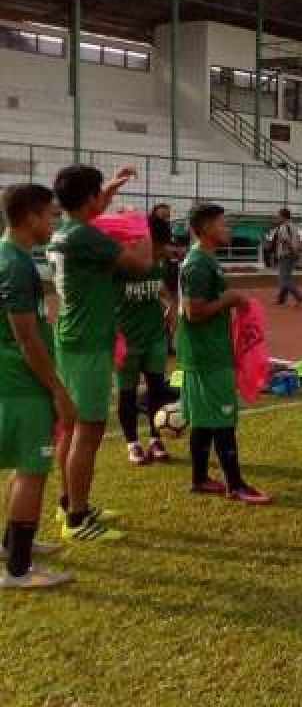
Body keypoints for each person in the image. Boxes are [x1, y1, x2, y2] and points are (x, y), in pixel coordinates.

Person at [47, 164, 152, 542]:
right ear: (88, 199)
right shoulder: (85, 237)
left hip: (73, 339)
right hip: (87, 344)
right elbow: (142, 264)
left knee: (73, 428)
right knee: (87, 431)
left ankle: (70, 502)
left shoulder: (66, 232)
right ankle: (77, 519)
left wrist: (107, 189)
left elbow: (88, 213)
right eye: (99, 196)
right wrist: (140, 228)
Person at [0, 185, 75, 588]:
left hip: (12, 378)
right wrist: (59, 391)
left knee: (24, 464)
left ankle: (14, 544)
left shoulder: (10, 256)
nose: (54, 222)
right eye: (51, 215)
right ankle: (18, 570)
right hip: (21, 382)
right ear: (30, 216)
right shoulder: (15, 264)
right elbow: (26, 337)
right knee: (32, 469)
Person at [179, 203, 271, 505]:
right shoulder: (198, 264)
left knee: (205, 420)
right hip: (208, 354)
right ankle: (236, 484)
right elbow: (194, 312)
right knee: (222, 419)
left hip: (206, 351)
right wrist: (230, 299)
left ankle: (200, 478)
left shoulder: (205, 261)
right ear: (205, 229)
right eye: (222, 224)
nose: (227, 229)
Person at [114, 215, 175, 466]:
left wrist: (170, 304)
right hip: (126, 338)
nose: (162, 252)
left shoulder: (158, 263)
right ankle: (132, 443)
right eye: (159, 246)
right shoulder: (120, 266)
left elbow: (162, 288)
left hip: (154, 336)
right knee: (127, 393)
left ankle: (155, 438)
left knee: (157, 387)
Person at [151, 203, 182, 356]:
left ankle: (168, 345)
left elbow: (177, 254)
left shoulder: (170, 236)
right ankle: (160, 345)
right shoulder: (150, 238)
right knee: (160, 315)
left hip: (172, 281)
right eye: (162, 216)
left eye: (168, 216)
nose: (166, 219)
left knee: (170, 316)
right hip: (158, 282)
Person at [272, 208, 302, 307]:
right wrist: (296, 251)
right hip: (291, 254)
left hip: (286, 255)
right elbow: (299, 239)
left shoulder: (283, 227)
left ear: (283, 217)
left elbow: (286, 241)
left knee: (284, 279)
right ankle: (281, 299)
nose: (277, 218)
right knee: (286, 277)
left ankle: (299, 295)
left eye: (278, 216)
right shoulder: (294, 227)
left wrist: (293, 251)